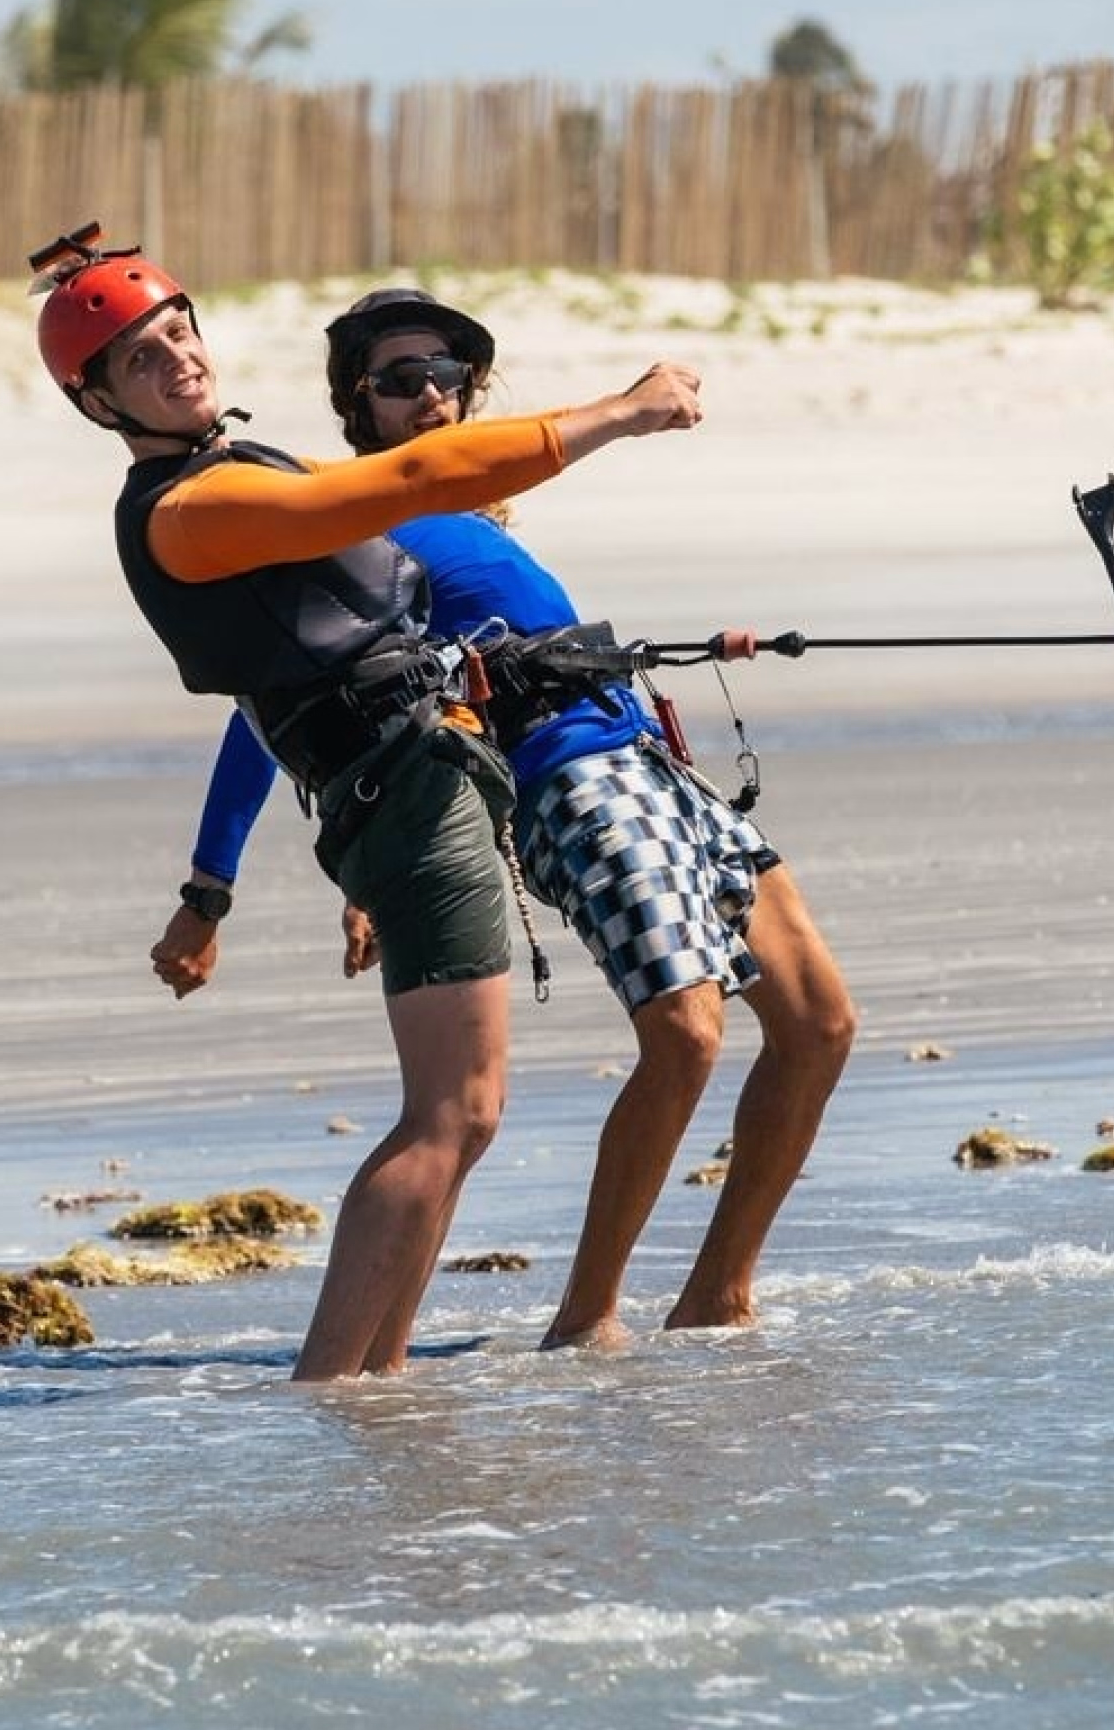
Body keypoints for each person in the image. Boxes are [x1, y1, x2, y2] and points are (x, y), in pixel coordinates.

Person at [30, 224, 703, 1381]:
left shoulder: (226, 470)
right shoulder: (189, 511)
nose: (180, 358)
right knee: (453, 1113)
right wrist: (622, 411)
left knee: (466, 1112)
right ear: (100, 402)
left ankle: (374, 1381)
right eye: (142, 358)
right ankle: (334, 1384)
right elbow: (412, 477)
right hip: (406, 803)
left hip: (418, 782)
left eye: (180, 330)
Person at [154, 284, 857, 1349]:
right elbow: (268, 716)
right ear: (360, 403)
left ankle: (719, 1292)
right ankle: (587, 1318)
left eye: (449, 376)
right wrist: (212, 890)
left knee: (818, 1025)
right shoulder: (360, 523)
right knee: (686, 1034)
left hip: (652, 762)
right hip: (561, 785)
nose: (432, 396)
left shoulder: (474, 521)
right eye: (402, 380)